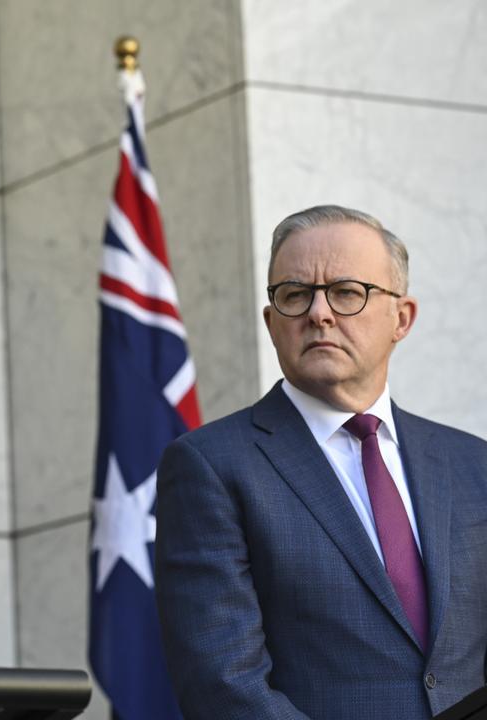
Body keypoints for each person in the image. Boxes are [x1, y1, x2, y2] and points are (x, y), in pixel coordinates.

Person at [155, 204, 487, 718]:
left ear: (402, 318)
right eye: (295, 295)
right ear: (271, 322)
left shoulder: (473, 465)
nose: (319, 313)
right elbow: (224, 685)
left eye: (347, 292)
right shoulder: (211, 468)